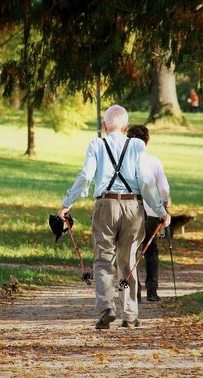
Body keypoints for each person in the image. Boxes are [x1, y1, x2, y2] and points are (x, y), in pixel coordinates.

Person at [57, 105, 171, 329]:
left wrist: (66, 204)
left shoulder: (96, 144)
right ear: (126, 127)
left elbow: (86, 177)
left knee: (103, 259)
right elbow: (147, 183)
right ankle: (129, 314)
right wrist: (161, 211)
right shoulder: (137, 145)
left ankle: (107, 308)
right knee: (128, 260)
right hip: (133, 206)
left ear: (104, 126)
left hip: (105, 205)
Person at [127, 125, 171, 302]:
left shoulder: (126, 162)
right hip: (152, 212)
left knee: (131, 250)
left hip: (131, 211)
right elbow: (163, 188)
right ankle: (152, 291)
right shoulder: (154, 162)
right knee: (151, 251)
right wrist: (165, 204)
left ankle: (134, 292)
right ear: (147, 141)